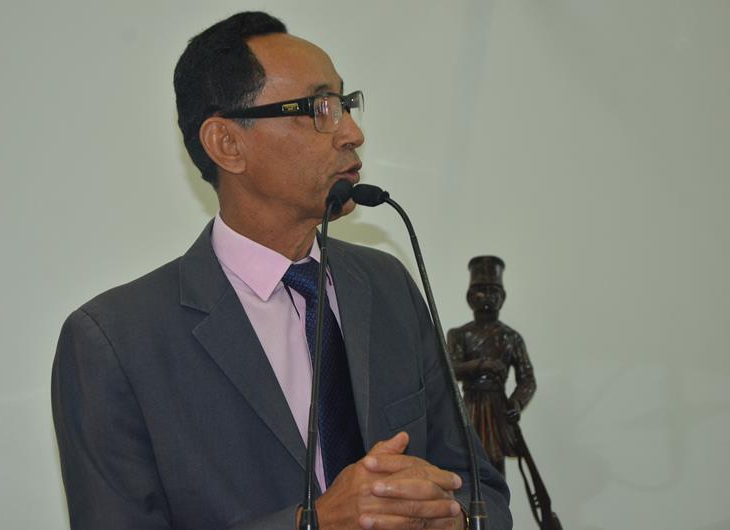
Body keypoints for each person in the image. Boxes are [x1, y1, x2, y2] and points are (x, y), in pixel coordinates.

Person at [52, 11, 511, 530]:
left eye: (346, 104)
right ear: (227, 144)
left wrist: (449, 518)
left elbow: (482, 489)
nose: (353, 132)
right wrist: (312, 524)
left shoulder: (386, 285)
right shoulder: (115, 342)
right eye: (320, 108)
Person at [447, 256, 537, 476]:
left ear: (502, 296)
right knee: (467, 466)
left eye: (493, 290)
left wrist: (516, 403)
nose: (487, 296)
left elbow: (527, 379)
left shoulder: (511, 337)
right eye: (481, 290)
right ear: (470, 296)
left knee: (495, 466)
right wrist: (480, 365)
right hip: (470, 407)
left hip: (498, 410)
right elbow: (449, 369)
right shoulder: (459, 335)